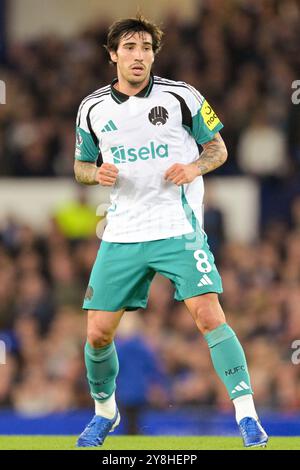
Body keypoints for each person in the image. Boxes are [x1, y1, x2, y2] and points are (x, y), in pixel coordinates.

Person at [73, 15, 268, 448]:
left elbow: (217, 148)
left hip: (176, 227)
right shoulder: (92, 108)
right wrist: (95, 173)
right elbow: (80, 166)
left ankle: (247, 417)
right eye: (129, 47)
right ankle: (105, 412)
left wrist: (194, 165)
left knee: (209, 315)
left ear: (153, 55)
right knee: (98, 333)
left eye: (145, 47)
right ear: (113, 55)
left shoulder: (182, 97)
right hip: (122, 231)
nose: (138, 55)